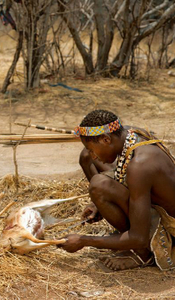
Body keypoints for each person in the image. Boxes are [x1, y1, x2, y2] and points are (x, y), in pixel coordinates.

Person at [58, 109, 175, 271]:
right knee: (86, 160)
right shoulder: (130, 134)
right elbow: (97, 159)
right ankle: (119, 228)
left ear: (106, 139)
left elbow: (138, 237)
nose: (93, 156)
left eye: (93, 149)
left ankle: (143, 254)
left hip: (171, 228)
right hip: (151, 199)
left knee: (99, 185)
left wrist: (83, 240)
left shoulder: (140, 165)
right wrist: (98, 204)